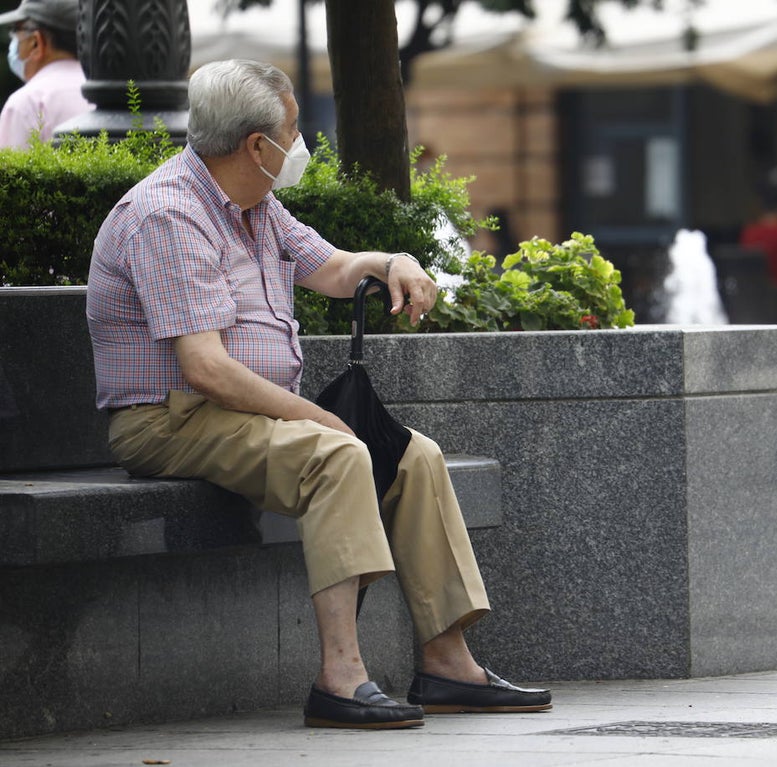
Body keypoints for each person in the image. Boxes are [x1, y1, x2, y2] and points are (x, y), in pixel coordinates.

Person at [86, 59, 550, 730]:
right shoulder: (167, 216)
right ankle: (341, 675)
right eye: (294, 129)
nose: (300, 143)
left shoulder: (255, 207)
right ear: (256, 146)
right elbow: (207, 370)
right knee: (339, 455)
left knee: (416, 456)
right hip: (170, 419)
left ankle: (448, 664)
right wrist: (324, 420)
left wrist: (393, 262)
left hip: (239, 415)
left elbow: (331, 267)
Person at [0, 0, 93, 148]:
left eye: (16, 34)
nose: (15, 44)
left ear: (36, 43)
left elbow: (10, 170)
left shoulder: (28, 103)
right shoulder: (107, 93)